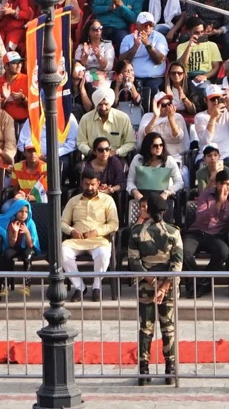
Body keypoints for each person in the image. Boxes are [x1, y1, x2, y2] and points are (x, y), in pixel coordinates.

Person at [126, 193, 182, 384]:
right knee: (168, 326)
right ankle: (170, 368)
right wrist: (164, 286)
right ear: (165, 211)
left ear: (147, 210)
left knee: (146, 327)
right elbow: (177, 264)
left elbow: (134, 262)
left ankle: (144, 369)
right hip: (168, 288)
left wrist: (154, 283)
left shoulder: (136, 233)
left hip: (145, 286)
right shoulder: (174, 232)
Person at [183, 170, 229, 298]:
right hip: (197, 231)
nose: (225, 187)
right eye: (222, 184)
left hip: (215, 235)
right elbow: (200, 217)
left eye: (228, 184)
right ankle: (200, 282)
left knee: (223, 252)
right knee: (183, 251)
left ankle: (202, 281)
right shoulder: (206, 194)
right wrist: (218, 204)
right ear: (216, 184)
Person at [62, 171, 121, 302]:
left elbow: (114, 224)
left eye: (93, 184)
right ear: (82, 183)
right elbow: (62, 222)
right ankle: (80, 287)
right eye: (86, 184)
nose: (89, 188)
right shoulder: (73, 200)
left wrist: (97, 232)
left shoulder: (108, 200)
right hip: (77, 240)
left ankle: (96, 286)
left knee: (103, 254)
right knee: (61, 252)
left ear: (98, 184)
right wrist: (71, 231)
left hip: (98, 240)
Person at [127, 132, 184, 225]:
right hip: (142, 197)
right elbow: (130, 181)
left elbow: (179, 182)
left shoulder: (169, 160)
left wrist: (167, 192)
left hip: (162, 198)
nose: (159, 148)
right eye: (155, 146)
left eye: (161, 145)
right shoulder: (138, 159)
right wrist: (135, 192)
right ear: (148, 146)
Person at [118, 12, 169, 97]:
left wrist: (147, 44)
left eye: (150, 25)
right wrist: (136, 46)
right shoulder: (128, 39)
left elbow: (159, 60)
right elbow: (122, 61)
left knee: (153, 91)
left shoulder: (159, 37)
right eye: (145, 25)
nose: (148, 28)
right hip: (134, 78)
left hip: (155, 78)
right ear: (137, 25)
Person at [78, 87, 138, 158]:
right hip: (93, 157)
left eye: (106, 104)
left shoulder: (123, 118)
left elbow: (131, 142)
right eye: (100, 105)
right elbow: (81, 142)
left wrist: (117, 152)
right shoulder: (86, 119)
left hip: (116, 157)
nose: (103, 108)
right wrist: (91, 152)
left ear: (111, 104)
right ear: (96, 104)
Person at [195, 86, 229, 162]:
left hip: (228, 153)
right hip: (208, 155)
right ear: (205, 100)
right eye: (212, 99)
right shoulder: (200, 117)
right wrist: (213, 118)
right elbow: (205, 140)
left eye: (218, 98)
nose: (216, 102)